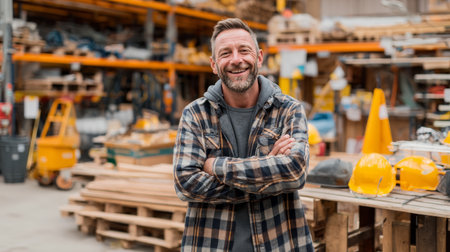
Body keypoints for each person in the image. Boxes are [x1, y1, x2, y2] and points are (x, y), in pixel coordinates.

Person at [173, 18, 313, 251]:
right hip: (210, 244)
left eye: (244, 50)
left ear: (259, 57)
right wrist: (269, 172)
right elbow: (186, 183)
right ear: (214, 64)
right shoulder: (195, 114)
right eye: (225, 53)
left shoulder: (288, 109)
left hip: (279, 243)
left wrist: (214, 166)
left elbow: (295, 172)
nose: (236, 60)